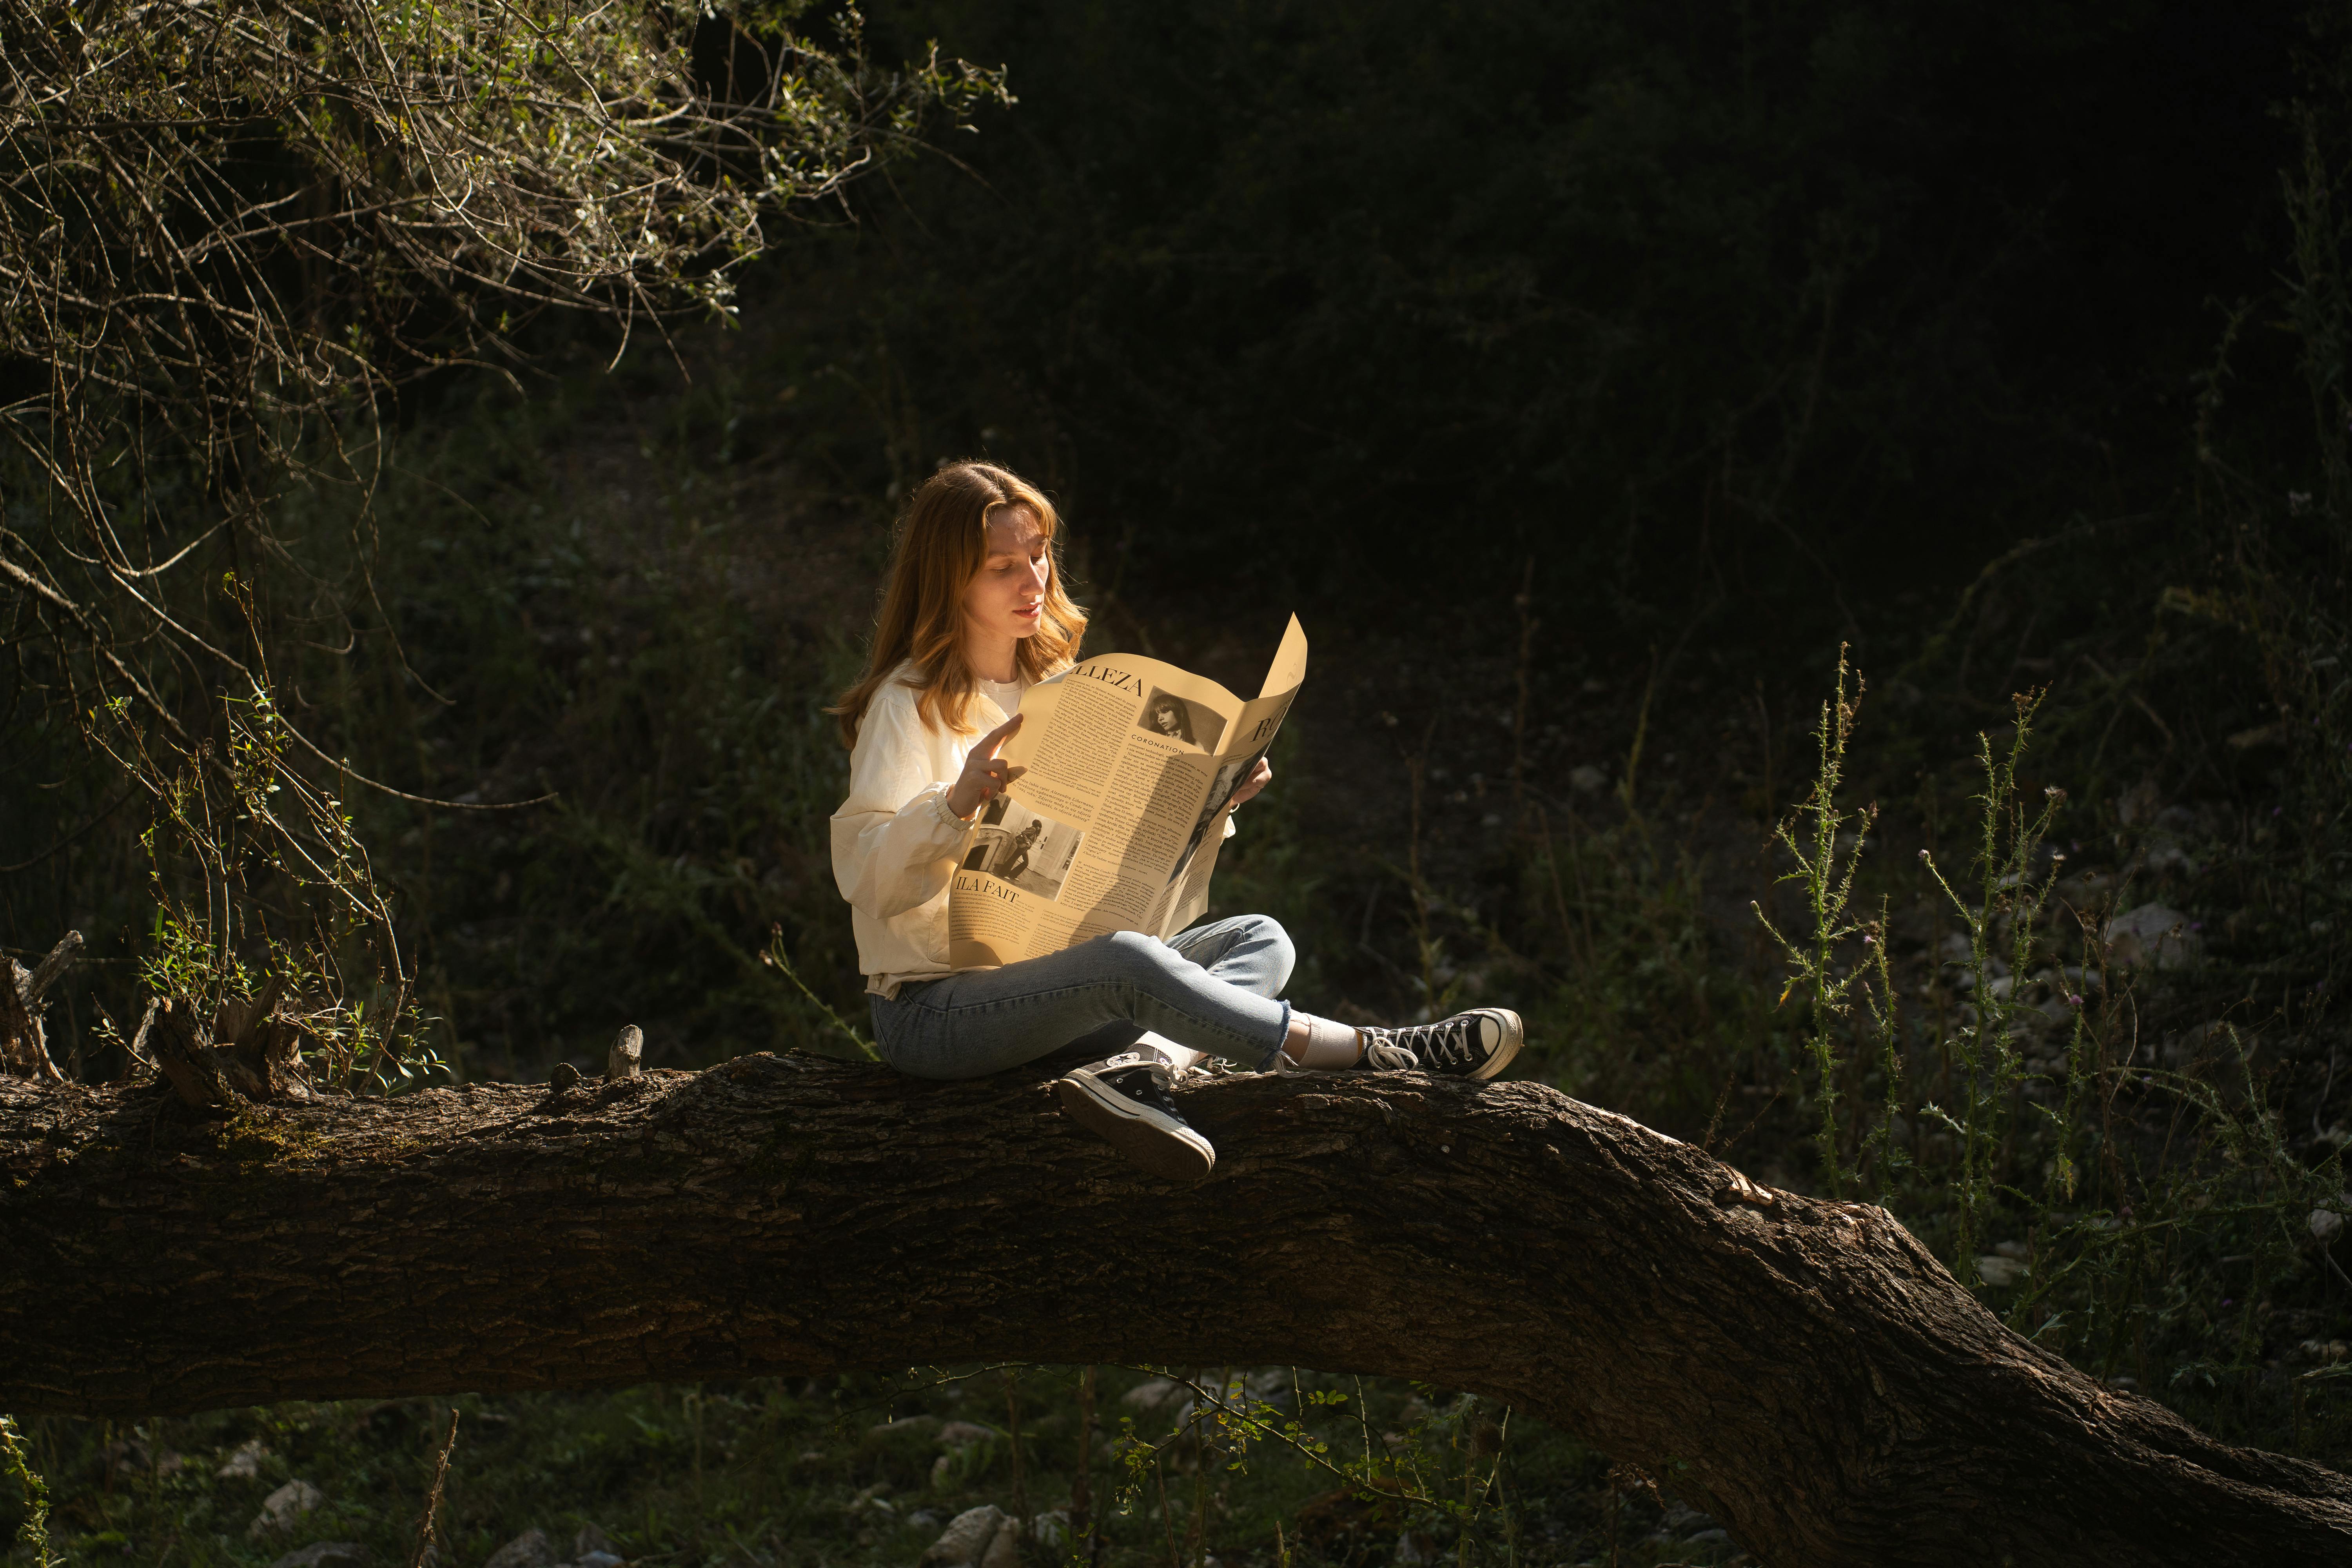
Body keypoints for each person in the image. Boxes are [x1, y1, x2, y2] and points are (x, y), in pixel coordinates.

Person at [829, 460, 1523, 1180]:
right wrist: (954, 805)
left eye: (1038, 555)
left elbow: (1116, 853)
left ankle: (1145, 1067)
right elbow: (867, 878)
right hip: (934, 1011)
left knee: (1259, 938)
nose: (1034, 582)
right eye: (1004, 567)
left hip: (1055, 990)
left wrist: (1207, 805)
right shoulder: (904, 705)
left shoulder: (1063, 689)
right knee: (1127, 963)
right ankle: (1378, 1052)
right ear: (950, 581)